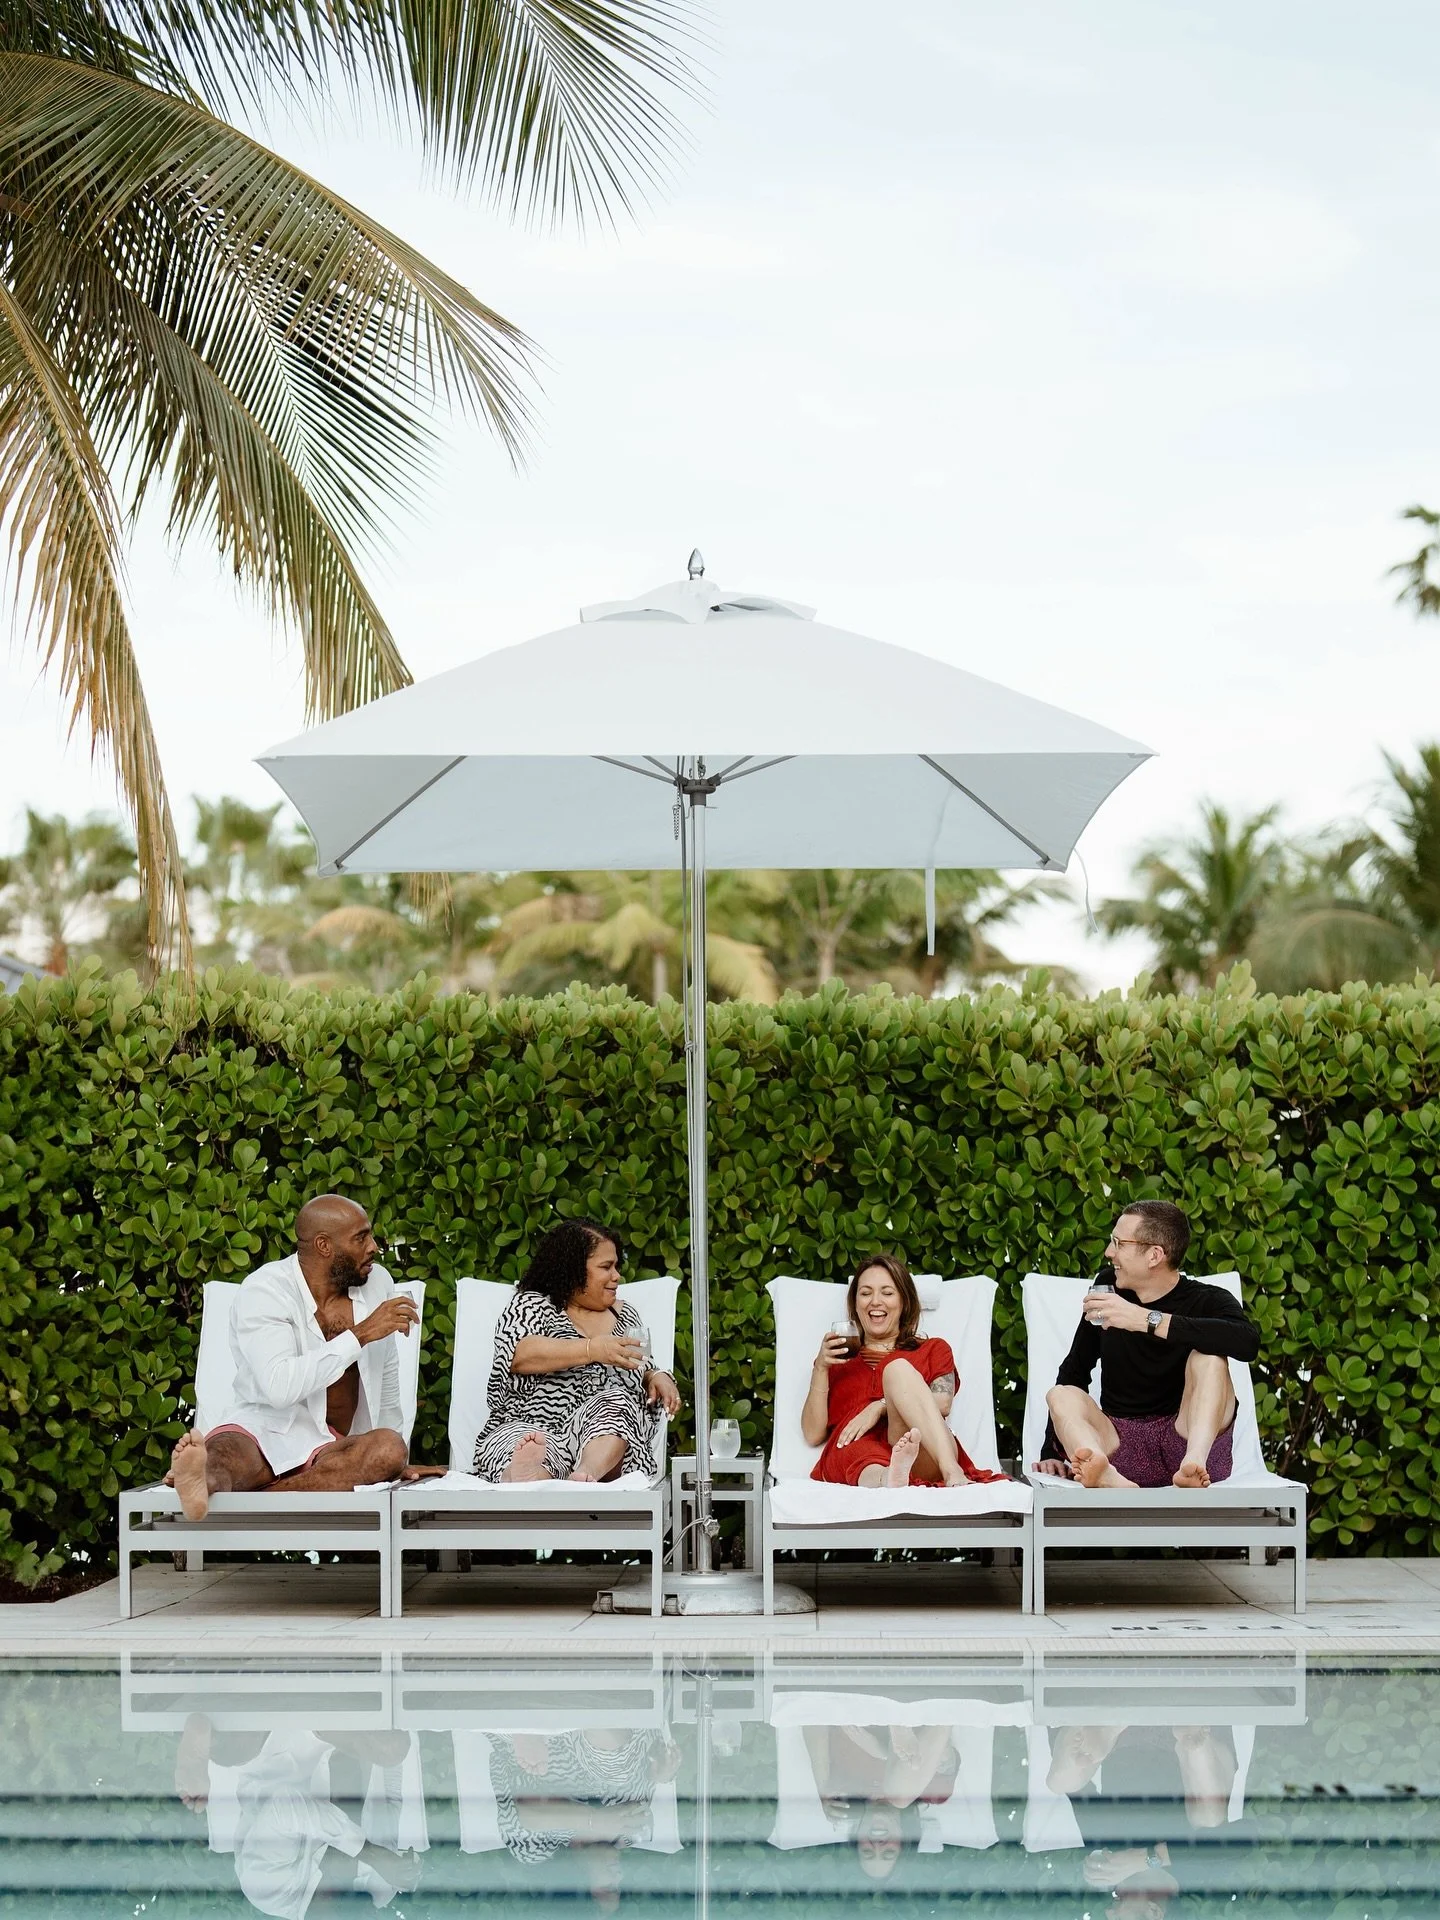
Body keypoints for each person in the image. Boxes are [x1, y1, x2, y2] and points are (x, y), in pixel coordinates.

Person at [167, 1194, 435, 1520]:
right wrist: (360, 1334)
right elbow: (279, 1388)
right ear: (324, 1245)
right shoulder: (265, 1291)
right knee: (226, 1453)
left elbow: (387, 1372)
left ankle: (246, 1495)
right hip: (265, 1430)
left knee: (388, 1449)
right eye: (361, 1237)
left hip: (333, 1448)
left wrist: (398, 1462)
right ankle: (203, 1480)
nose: (374, 1247)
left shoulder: (377, 1282)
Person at [1036, 1200, 1259, 1490]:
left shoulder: (1208, 1300)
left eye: (1119, 1243)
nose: (1109, 1252)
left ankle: (1192, 1466)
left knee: (1210, 1359)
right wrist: (1051, 1451)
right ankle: (1101, 1472)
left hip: (1187, 1440)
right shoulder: (1109, 1287)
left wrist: (1144, 1320)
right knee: (1060, 1394)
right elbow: (1075, 1369)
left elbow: (1247, 1342)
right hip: (1119, 1450)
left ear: (1154, 1255)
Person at [472, 1218, 681, 1484]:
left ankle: (584, 1475)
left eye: (616, 1266)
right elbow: (517, 1354)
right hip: (532, 1425)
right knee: (519, 1442)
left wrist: (656, 1375)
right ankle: (530, 1474)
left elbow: (641, 1362)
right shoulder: (532, 1305)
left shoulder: (625, 1314)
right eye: (606, 1267)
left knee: (618, 1404)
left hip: (601, 1436)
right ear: (572, 1270)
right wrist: (592, 1349)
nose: (616, 1276)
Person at [804, 1254, 1005, 1489]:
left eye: (887, 1293)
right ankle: (890, 1478)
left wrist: (880, 1406)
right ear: (855, 1304)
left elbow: (943, 1403)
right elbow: (813, 1434)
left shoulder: (933, 1349)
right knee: (858, 1453)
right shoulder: (836, 1359)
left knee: (897, 1370)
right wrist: (821, 1368)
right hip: (859, 1457)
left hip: (923, 1450)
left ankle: (952, 1471)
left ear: (904, 1301)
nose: (875, 1301)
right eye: (866, 1293)